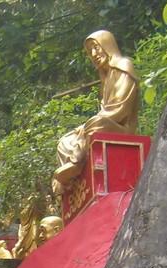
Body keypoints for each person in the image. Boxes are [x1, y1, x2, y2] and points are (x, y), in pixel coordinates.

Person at [53, 30, 139, 196]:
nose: (93, 54)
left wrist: (88, 126)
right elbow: (104, 110)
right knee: (64, 141)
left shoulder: (124, 66)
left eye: (96, 47)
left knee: (95, 124)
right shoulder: (106, 80)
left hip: (123, 127)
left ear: (107, 45)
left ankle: (76, 162)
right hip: (107, 122)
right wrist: (82, 129)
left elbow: (119, 109)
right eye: (90, 51)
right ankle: (72, 178)